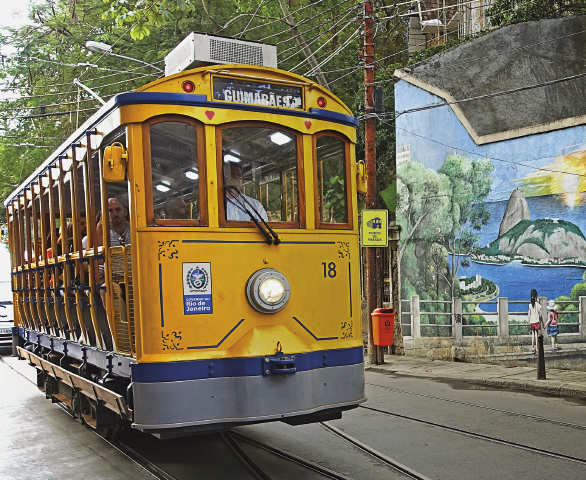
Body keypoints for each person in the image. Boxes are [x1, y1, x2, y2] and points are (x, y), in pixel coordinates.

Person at [528, 289, 542, 354]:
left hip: (532, 322)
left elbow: (529, 315)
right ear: (536, 296)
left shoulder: (530, 305)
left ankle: (532, 348)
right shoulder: (538, 305)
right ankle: (537, 349)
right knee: (536, 335)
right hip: (536, 321)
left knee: (533, 335)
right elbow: (540, 314)